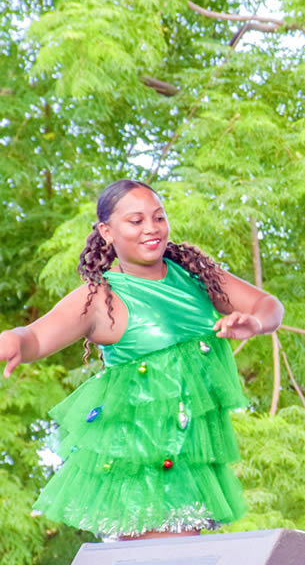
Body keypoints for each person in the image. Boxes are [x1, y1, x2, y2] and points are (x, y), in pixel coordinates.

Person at [0, 179, 284, 539]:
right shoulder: (100, 298)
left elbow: (269, 305)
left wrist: (255, 322)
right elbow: (36, 336)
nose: (151, 229)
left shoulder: (195, 277)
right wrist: (13, 339)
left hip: (190, 456)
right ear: (107, 231)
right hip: (144, 463)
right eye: (136, 221)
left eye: (158, 218)